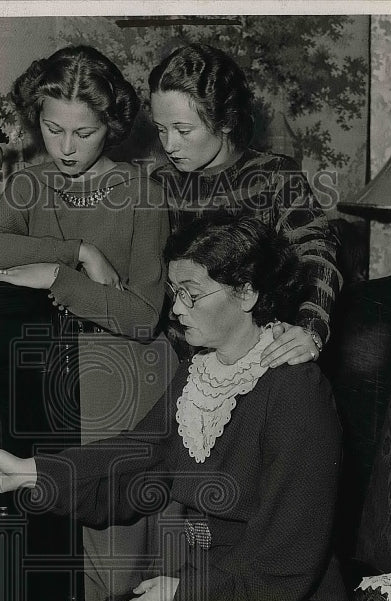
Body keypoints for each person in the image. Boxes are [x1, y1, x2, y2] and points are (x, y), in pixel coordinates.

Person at [0, 216, 349, 601]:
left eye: (192, 294)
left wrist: (181, 599)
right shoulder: (201, 371)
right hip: (219, 595)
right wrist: (32, 473)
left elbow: (285, 568)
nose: (176, 310)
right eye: (174, 292)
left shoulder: (296, 394)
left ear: (246, 293)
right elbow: (139, 457)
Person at [0, 46, 179, 601]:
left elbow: (140, 316)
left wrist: (55, 278)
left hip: (125, 375)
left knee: (114, 561)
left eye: (82, 133)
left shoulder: (141, 192)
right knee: (56, 559)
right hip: (49, 376)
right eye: (52, 128)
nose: (64, 148)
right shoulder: (29, 182)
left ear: (110, 127)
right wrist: (76, 253)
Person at [148, 42, 343, 368]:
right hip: (182, 369)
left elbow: (318, 254)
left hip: (262, 362)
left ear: (225, 122)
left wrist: (309, 328)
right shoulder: (160, 185)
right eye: (160, 129)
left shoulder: (276, 176)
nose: (169, 145)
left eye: (183, 130)